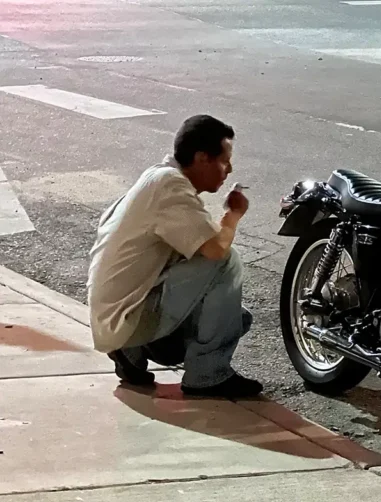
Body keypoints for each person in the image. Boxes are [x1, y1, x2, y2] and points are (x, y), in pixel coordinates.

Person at [86, 114, 262, 397]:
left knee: (237, 320)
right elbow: (216, 250)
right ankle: (207, 374)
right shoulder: (171, 186)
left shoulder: (156, 177)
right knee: (227, 261)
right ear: (202, 157)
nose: (229, 169)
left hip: (115, 317)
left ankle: (132, 351)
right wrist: (234, 214)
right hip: (127, 316)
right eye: (224, 160)